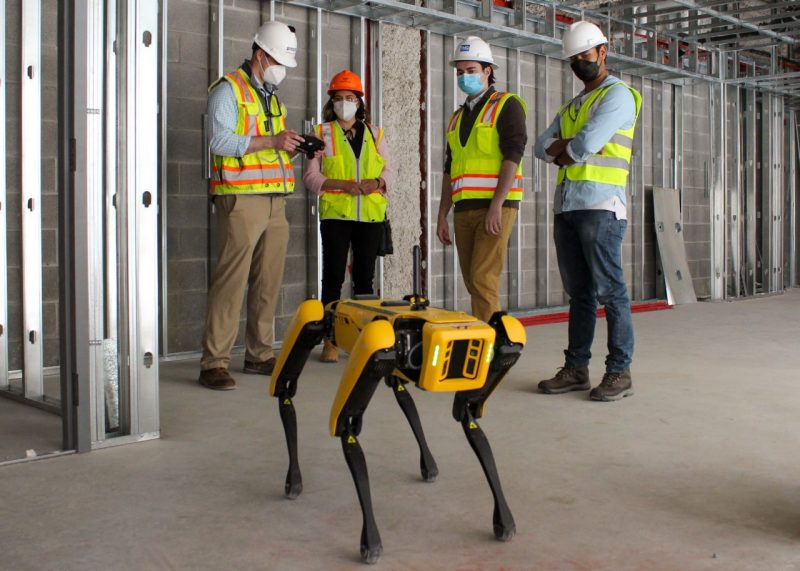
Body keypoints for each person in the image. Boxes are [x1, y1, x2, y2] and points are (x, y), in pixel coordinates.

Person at [533, 21, 642, 402]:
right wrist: (568, 146)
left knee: (611, 292)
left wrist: (567, 149)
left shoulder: (619, 96)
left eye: (585, 55)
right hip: (567, 206)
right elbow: (540, 146)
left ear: (603, 51)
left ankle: (619, 372)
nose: (580, 63)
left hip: (601, 207)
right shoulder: (574, 105)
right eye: (574, 59)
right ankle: (576, 369)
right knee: (579, 294)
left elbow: (586, 145)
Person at [199, 21, 304, 390]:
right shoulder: (228, 89)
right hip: (241, 199)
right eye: (277, 61)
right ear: (260, 54)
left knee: (267, 282)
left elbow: (271, 146)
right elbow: (219, 140)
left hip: (275, 200)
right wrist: (272, 140)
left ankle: (259, 355)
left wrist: (290, 144)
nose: (281, 70)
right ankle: (214, 362)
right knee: (232, 281)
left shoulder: (271, 95)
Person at [435, 36, 528, 323]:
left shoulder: (507, 104)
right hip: (464, 209)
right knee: (473, 281)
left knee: (482, 278)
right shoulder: (455, 118)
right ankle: (490, 339)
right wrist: (442, 216)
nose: (464, 77)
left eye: (471, 70)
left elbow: (513, 155)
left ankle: (491, 351)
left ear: (487, 70)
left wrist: (497, 206)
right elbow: (450, 169)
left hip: (495, 207)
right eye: (460, 72)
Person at [303, 70, 393, 363]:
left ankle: (359, 340)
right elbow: (311, 178)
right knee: (332, 278)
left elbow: (389, 171)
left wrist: (377, 184)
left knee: (364, 282)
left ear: (359, 102)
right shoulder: (321, 133)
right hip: (337, 216)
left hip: (369, 217)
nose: (345, 103)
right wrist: (340, 185)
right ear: (332, 102)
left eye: (350, 98)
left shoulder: (375, 133)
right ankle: (330, 340)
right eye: (339, 98)